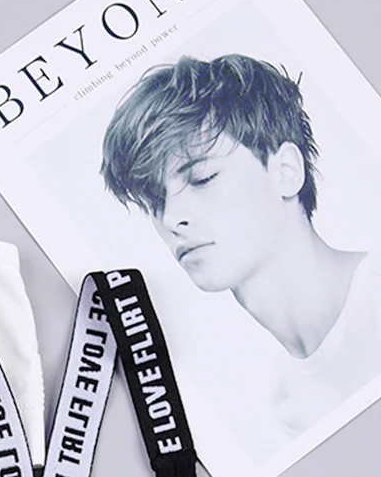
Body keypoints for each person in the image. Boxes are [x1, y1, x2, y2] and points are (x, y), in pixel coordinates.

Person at [100, 53, 381, 437]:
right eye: (156, 201)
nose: (171, 218)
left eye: (202, 178)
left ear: (286, 171)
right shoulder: (288, 405)